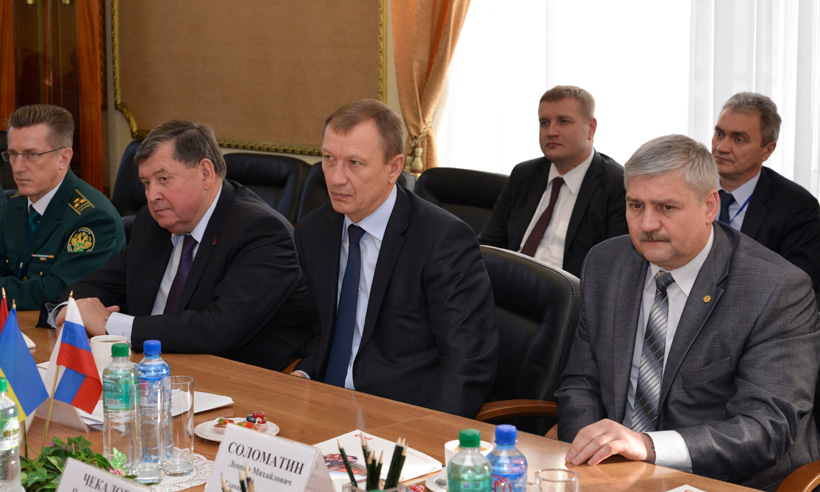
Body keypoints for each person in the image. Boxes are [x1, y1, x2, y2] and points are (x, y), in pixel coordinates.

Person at [555, 134, 820, 491]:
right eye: (636, 205)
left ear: (709, 206)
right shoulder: (606, 264)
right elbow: (581, 383)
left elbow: (765, 427)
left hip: (723, 480)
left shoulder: (775, 289)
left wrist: (648, 447)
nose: (647, 224)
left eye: (666, 207)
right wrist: (593, 453)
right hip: (612, 475)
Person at [292, 99, 498, 418]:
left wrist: (427, 434)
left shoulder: (442, 240)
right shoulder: (314, 230)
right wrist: (302, 375)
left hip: (399, 418)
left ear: (394, 167)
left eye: (354, 163)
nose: (335, 178)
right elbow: (319, 332)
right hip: (322, 406)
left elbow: (466, 365)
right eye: (329, 158)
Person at [50, 120, 310, 371]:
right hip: (148, 371)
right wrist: (70, 312)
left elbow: (218, 330)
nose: (152, 196)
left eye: (163, 179)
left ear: (205, 173)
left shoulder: (261, 232)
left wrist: (110, 324)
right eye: (146, 183)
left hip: (233, 383)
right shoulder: (152, 224)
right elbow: (95, 286)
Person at [479, 85, 627, 277]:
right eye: (544, 123)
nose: (551, 132)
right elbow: (488, 245)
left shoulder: (616, 185)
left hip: (569, 293)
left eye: (563, 121)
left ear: (591, 128)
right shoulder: (524, 175)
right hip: (507, 283)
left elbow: (616, 268)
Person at [0, 104, 125, 310]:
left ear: (64, 158)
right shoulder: (16, 205)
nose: (18, 167)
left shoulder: (93, 216)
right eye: (13, 154)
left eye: (32, 154)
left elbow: (58, 292)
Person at [712, 92, 820, 291]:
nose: (721, 147)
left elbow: (799, 287)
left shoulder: (797, 207)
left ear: (768, 150)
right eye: (719, 134)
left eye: (739, 140)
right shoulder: (690, 188)